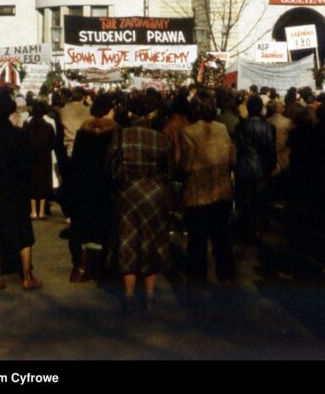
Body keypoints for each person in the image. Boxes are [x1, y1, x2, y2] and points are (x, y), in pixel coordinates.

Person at [110, 92, 171, 314]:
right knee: (151, 243)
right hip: (153, 193)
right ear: (150, 113)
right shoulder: (160, 137)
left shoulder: (120, 136)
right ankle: (150, 297)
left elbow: (111, 167)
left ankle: (128, 295)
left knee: (128, 242)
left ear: (131, 113)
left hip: (127, 193)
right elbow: (168, 169)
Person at [0, 91, 42, 293]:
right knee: (23, 232)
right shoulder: (19, 134)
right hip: (17, 187)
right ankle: (27, 277)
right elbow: (28, 162)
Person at [180, 91, 236, 292]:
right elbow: (232, 159)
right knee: (222, 240)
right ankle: (227, 280)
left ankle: (197, 285)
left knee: (197, 243)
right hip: (221, 192)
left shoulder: (188, 132)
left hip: (197, 194)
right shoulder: (222, 129)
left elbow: (186, 166)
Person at [66, 93, 119, 283]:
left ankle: (81, 266)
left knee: (83, 225)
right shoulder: (115, 133)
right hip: (106, 183)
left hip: (85, 182)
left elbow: (76, 160)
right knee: (106, 225)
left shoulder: (83, 132)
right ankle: (104, 267)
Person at [233, 94, 276, 243]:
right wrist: (270, 167)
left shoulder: (240, 127)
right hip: (261, 169)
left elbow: (236, 149)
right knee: (260, 202)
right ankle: (257, 232)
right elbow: (271, 150)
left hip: (244, 168)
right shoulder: (267, 127)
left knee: (245, 203)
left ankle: (246, 231)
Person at [23, 100, 56, 219]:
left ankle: (33, 211)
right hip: (44, 157)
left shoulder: (27, 126)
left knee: (31, 183)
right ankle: (41, 211)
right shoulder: (48, 127)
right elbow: (53, 143)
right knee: (43, 183)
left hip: (30, 158)